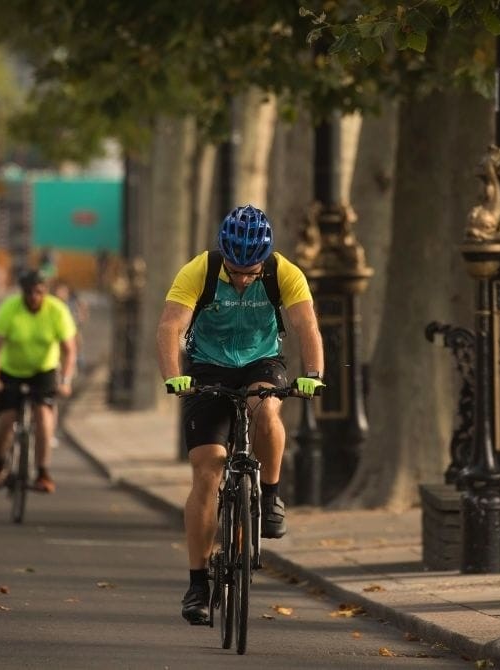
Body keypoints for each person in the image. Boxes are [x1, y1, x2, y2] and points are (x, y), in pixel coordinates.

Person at [156, 204, 325, 625]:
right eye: (236, 269)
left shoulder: (283, 272)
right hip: (208, 367)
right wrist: (174, 376)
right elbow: (170, 327)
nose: (244, 277)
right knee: (208, 470)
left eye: (251, 270)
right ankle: (197, 583)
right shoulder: (199, 271)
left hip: (261, 361)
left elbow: (307, 328)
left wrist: (313, 374)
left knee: (266, 408)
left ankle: (269, 495)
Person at [0, 270, 77, 494]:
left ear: (45, 292)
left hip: (43, 371)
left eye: (39, 292)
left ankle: (43, 471)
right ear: (22, 292)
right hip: (12, 370)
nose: (34, 296)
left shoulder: (57, 311)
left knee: (44, 416)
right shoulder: (10, 308)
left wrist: (65, 380)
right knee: (7, 417)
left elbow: (69, 350)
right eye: (29, 292)